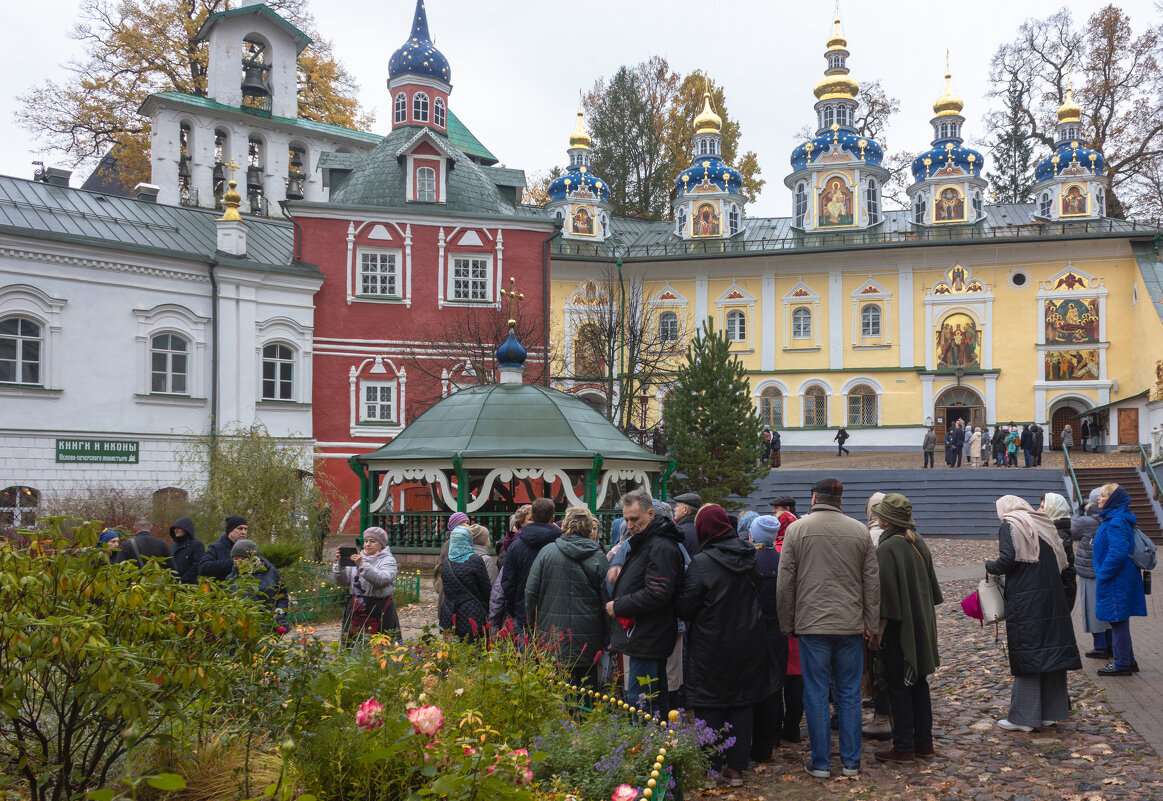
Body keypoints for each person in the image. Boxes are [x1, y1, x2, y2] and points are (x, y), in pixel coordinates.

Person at [777, 478, 879, 779]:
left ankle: (821, 762)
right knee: (849, 694)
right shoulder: (859, 531)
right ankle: (851, 761)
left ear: (813, 499)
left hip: (811, 624)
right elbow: (872, 584)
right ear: (841, 502)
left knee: (816, 692)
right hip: (849, 625)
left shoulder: (797, 530)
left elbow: (786, 583)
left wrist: (787, 623)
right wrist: (871, 624)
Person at [676, 504, 775, 787]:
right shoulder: (749, 556)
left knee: (710, 704)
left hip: (712, 642)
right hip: (748, 639)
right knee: (742, 703)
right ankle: (736, 769)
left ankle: (711, 767)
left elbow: (686, 606)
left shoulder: (702, 562)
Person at [985, 496, 1081, 731]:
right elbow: (1062, 559)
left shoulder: (1011, 524)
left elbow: (1008, 558)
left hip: (1027, 598)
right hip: (1052, 596)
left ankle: (1023, 718)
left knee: (1029, 653)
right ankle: (1050, 713)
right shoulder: (1042, 522)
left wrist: (990, 566)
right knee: (1050, 652)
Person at [869, 494, 942, 763]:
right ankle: (924, 744)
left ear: (886, 519)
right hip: (921, 623)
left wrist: (876, 634)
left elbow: (884, 601)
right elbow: (933, 591)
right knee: (919, 684)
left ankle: (903, 748)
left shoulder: (887, 549)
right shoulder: (917, 541)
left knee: (899, 687)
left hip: (899, 629)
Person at [606, 488, 685, 716]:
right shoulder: (645, 541)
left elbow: (657, 592)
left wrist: (618, 605)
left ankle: (644, 747)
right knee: (650, 701)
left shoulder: (660, 545)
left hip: (649, 636)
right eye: (626, 519)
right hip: (644, 635)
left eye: (634, 519)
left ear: (650, 514)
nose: (629, 525)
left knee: (642, 703)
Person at [526, 506, 610, 686]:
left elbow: (531, 593)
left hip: (552, 634)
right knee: (587, 690)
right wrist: (607, 634)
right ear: (589, 527)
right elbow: (607, 599)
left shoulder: (547, 552)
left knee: (555, 691)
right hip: (589, 635)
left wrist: (532, 625)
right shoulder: (598, 556)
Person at [1093, 483, 1147, 676]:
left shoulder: (1115, 521)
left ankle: (1122, 663)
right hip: (1120, 577)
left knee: (1117, 619)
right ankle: (1128, 660)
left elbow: (1118, 553)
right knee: (1119, 619)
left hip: (1116, 578)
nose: (1098, 499)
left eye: (1102, 496)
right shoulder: (1116, 517)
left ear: (1112, 500)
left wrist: (1103, 574)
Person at [747, 515, 788, 763]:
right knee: (775, 686)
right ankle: (773, 734)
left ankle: (754, 736)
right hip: (777, 630)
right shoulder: (781, 561)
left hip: (754, 630)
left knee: (754, 685)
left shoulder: (751, 562)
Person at [501, 499, 561, 632]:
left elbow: (508, 582)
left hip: (524, 612)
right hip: (556, 613)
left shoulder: (516, 546)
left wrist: (513, 608)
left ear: (532, 516)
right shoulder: (562, 544)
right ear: (552, 518)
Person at [333, 526, 400, 644]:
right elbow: (341, 581)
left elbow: (382, 579)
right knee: (352, 645)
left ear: (381, 544)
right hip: (356, 607)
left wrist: (362, 565)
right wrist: (340, 564)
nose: (368, 544)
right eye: (366, 541)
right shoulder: (358, 558)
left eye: (372, 541)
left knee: (380, 646)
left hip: (379, 608)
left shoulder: (388, 560)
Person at [862, 492, 892, 740]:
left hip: (877, 611)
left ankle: (882, 716)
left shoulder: (871, 536)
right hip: (896, 610)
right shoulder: (901, 535)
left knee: (877, 664)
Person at [1072, 487, 1112, 659]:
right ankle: (1111, 644)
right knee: (1110, 609)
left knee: (1092, 608)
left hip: (1090, 570)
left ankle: (1100, 646)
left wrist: (1078, 513)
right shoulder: (1112, 517)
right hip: (1109, 569)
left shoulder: (1086, 521)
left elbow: (1072, 531)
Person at [439, 518, 492, 642]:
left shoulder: (447, 563)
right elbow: (486, 590)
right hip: (472, 615)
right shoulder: (475, 560)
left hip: (450, 614)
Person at [228, 539, 289, 627]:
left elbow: (282, 595)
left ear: (253, 557)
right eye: (235, 559)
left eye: (243, 558)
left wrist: (279, 613)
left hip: (269, 624)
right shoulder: (231, 579)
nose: (238, 562)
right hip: (244, 628)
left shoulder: (271, 572)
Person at [1041, 493, 1077, 610]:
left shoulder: (1057, 532)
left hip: (1060, 592)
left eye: (1043, 508)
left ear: (1053, 510)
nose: (1038, 510)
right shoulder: (1054, 528)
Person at [200, 515, 249, 580]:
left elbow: (263, 566)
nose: (243, 532)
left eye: (245, 529)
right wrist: (234, 563)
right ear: (230, 531)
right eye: (240, 528)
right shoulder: (216, 547)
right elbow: (203, 567)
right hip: (221, 588)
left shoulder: (249, 547)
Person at [168, 517, 204, 585]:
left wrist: (183, 579)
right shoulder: (175, 545)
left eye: (178, 528)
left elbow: (197, 565)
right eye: (175, 528)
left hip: (189, 586)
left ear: (185, 529)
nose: (175, 530)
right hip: (173, 584)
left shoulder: (197, 545)